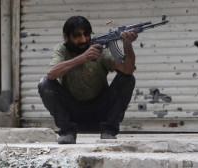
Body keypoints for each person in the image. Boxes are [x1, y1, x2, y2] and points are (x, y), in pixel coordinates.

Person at [38, 16, 137, 144]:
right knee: (45, 84)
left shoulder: (99, 50)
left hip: (101, 111)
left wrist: (127, 45)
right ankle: (67, 131)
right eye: (77, 35)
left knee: (127, 79)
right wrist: (83, 58)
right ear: (66, 37)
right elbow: (51, 74)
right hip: (72, 113)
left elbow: (127, 70)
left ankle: (109, 130)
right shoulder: (62, 49)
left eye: (86, 34)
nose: (83, 39)